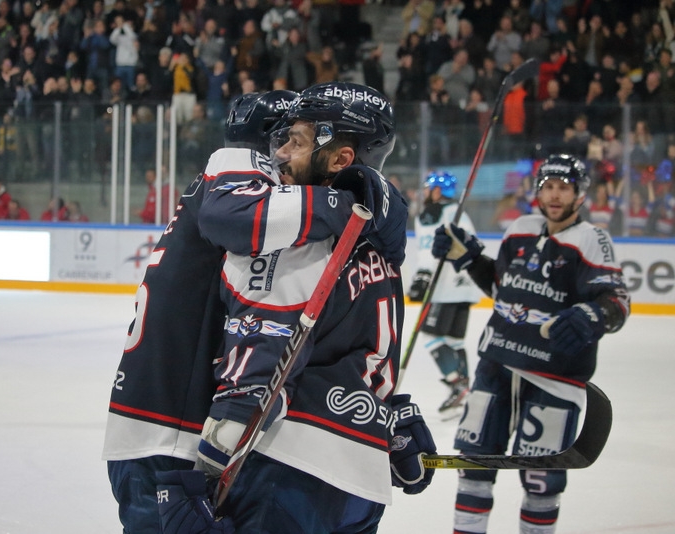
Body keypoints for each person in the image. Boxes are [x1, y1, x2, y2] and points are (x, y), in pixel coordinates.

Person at [103, 88, 419, 533]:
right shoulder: (255, 185)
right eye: (280, 138)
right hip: (173, 430)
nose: (283, 153)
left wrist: (390, 413)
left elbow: (327, 339)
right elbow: (270, 332)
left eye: (296, 140)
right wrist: (355, 201)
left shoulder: (311, 226)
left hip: (190, 428)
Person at [431, 153, 630, 534]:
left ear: (580, 195)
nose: (555, 195)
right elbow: (503, 288)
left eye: (564, 188)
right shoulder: (520, 227)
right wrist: (471, 259)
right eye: (549, 187)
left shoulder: (592, 238)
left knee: (542, 481)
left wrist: (591, 316)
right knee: (474, 467)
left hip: (553, 377)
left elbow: (616, 301)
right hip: (497, 365)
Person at [407, 172, 481, 413]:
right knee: (455, 341)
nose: (426, 193)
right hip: (466, 286)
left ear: (437, 192)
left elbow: (430, 249)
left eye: (429, 189)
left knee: (431, 338)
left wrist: (422, 276)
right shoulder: (460, 214)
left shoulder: (432, 213)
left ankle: (456, 384)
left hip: (445, 287)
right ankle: (466, 387)